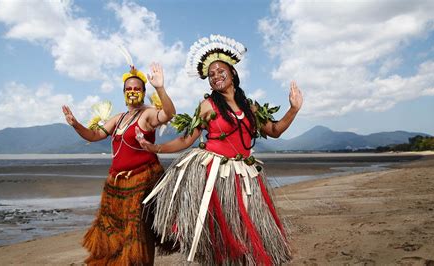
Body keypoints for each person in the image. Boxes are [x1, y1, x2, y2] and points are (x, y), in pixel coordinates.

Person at [138, 35, 303, 265]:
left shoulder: (250, 106)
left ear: (233, 73)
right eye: (211, 75)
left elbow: (275, 130)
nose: (215, 76)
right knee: (222, 236)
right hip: (216, 176)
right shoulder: (207, 106)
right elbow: (187, 140)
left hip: (246, 177)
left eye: (220, 71)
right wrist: (156, 147)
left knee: (248, 232)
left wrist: (293, 109)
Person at [62, 62, 175, 265]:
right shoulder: (119, 118)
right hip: (116, 184)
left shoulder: (147, 114)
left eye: (137, 89)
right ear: (124, 92)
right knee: (115, 234)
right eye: (129, 89)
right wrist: (75, 124)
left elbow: (168, 114)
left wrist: (160, 87)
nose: (132, 92)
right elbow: (95, 135)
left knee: (139, 232)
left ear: (143, 91)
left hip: (142, 181)